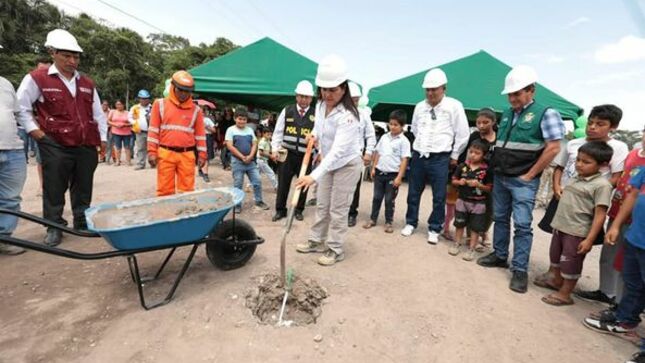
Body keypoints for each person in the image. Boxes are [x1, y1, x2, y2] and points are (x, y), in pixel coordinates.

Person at [477, 65, 565, 293]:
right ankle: (499, 254)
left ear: (531, 90)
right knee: (501, 218)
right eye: (510, 94)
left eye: (517, 93)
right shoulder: (507, 114)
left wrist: (531, 174)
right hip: (501, 176)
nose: (512, 98)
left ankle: (519, 270)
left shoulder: (547, 113)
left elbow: (554, 148)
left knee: (523, 226)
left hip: (523, 180)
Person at [16, 29, 107, 246]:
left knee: (84, 184)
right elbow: (20, 107)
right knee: (54, 186)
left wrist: (102, 139)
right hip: (54, 143)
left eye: (75, 56)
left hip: (85, 143)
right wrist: (35, 132)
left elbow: (98, 114)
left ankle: (82, 221)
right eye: (66, 55)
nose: (72, 60)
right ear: (53, 53)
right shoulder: (37, 78)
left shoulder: (86, 83)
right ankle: (54, 226)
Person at [536, 105, 629, 303]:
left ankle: (565, 290)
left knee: (573, 249)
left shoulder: (618, 149)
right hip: (565, 198)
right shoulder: (574, 144)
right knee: (557, 240)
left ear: (613, 127)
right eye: (591, 122)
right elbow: (559, 168)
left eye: (600, 124)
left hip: (585, 207)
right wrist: (557, 187)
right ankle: (554, 276)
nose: (593, 127)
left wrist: (591, 192)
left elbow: (616, 178)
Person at [294, 54, 363, 266]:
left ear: (344, 88)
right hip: (327, 162)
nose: (328, 94)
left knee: (338, 209)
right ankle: (316, 240)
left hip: (347, 164)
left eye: (333, 89)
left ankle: (335, 248)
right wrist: (313, 135)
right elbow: (319, 126)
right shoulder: (322, 105)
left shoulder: (349, 116)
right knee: (322, 205)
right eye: (324, 89)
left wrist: (312, 176)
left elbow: (338, 151)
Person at [535, 141, 613, 305]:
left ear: (603, 165)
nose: (579, 164)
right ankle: (556, 282)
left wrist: (589, 239)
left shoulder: (602, 186)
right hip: (561, 227)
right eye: (578, 160)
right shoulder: (576, 178)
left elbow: (600, 215)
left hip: (577, 232)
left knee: (571, 262)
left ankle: (565, 294)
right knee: (555, 257)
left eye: (586, 162)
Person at [582, 167, 645, 363]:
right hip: (635, 237)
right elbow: (633, 195)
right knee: (633, 284)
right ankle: (625, 321)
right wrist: (616, 225)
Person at [401, 68, 470, 244]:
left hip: (440, 157)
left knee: (439, 195)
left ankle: (434, 227)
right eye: (428, 89)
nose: (430, 93)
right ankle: (411, 222)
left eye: (434, 89)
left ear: (443, 88)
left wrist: (455, 154)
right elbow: (415, 129)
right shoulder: (419, 107)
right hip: (419, 155)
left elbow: (462, 133)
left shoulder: (454, 106)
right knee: (413, 192)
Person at [147, 70, 206, 196]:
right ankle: (166, 214)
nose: (184, 94)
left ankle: (184, 214)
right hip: (165, 153)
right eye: (181, 90)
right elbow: (153, 130)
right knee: (164, 190)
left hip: (187, 154)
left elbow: (200, 135)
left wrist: (202, 154)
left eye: (187, 91)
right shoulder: (160, 104)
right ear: (173, 86)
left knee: (187, 191)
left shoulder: (196, 110)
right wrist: (151, 151)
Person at [448, 108, 498, 244]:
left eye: (485, 122)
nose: (481, 126)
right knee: (471, 204)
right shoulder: (474, 136)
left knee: (490, 208)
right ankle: (471, 235)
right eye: (479, 122)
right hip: (472, 176)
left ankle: (484, 232)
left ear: (493, 122)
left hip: (491, 177)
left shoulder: (499, 138)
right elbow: (467, 155)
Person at [271, 80, 316, 222]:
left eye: (307, 97)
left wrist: (318, 151)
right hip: (287, 154)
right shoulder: (287, 110)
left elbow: (319, 135)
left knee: (303, 184)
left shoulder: (317, 114)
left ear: (311, 98)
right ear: (296, 96)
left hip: (305, 156)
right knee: (283, 183)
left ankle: (298, 210)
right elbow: (278, 132)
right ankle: (280, 210)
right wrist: (274, 149)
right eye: (301, 96)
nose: (303, 99)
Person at [362, 109, 410, 233]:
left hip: (392, 175)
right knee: (376, 197)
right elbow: (378, 153)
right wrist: (373, 168)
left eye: (396, 125)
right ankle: (373, 219)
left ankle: (389, 222)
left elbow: (404, 160)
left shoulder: (404, 141)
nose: (392, 127)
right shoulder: (384, 137)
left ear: (402, 126)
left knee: (389, 199)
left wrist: (399, 177)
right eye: (391, 124)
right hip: (379, 172)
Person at [0, 46, 28, 255]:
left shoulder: (5, 84)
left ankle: (4, 237)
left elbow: (20, 113)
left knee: (10, 198)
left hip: (12, 149)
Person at [447, 140, 494, 261]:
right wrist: (459, 182)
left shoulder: (486, 170)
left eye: (477, 153)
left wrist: (479, 185)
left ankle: (471, 249)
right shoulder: (462, 166)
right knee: (459, 223)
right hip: (462, 200)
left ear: (484, 155)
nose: (472, 155)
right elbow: (453, 180)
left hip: (479, 203)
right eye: (471, 152)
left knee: (475, 227)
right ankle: (456, 243)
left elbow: (489, 188)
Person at [225, 107, 270, 212]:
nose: (242, 121)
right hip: (237, 161)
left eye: (244, 119)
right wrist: (241, 156)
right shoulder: (230, 130)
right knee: (238, 183)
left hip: (250, 161)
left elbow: (254, 144)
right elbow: (230, 146)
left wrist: (250, 156)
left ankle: (259, 201)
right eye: (240, 119)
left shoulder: (249, 130)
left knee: (257, 181)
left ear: (247, 120)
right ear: (235, 118)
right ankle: (237, 204)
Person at [347, 82, 376, 227]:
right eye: (352, 99)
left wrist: (368, 152)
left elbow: (370, 135)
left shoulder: (364, 115)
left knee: (355, 187)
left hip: (356, 156)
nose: (354, 102)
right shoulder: (337, 112)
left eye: (357, 100)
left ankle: (352, 214)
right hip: (339, 156)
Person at [129, 89, 152, 170]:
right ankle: (141, 164)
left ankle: (153, 162)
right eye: (143, 98)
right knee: (141, 148)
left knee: (152, 148)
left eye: (147, 98)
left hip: (151, 132)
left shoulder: (152, 107)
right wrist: (135, 123)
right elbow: (129, 118)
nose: (145, 100)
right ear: (139, 99)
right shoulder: (135, 108)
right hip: (140, 132)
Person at [108, 100, 132, 166]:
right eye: (117, 104)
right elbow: (108, 121)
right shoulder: (112, 112)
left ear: (123, 105)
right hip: (116, 132)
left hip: (126, 132)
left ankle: (128, 161)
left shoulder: (128, 113)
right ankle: (117, 161)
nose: (119, 106)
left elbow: (132, 122)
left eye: (120, 104)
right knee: (117, 147)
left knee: (127, 147)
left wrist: (125, 125)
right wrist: (115, 125)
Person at [199, 105, 216, 183]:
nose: (201, 113)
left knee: (206, 156)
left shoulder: (207, 120)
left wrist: (207, 127)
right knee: (199, 155)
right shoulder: (195, 119)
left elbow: (214, 130)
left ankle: (205, 174)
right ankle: (200, 169)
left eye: (202, 111)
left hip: (207, 137)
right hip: (198, 138)